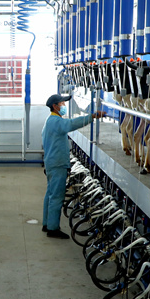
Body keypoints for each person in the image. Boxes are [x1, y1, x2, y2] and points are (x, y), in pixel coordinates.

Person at [42, 94, 104, 239]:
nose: (64, 105)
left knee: (50, 194)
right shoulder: (56, 121)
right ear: (55, 106)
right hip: (57, 164)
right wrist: (92, 116)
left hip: (52, 162)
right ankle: (53, 229)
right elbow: (71, 124)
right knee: (57, 196)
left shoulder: (50, 121)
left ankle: (47, 223)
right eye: (62, 103)